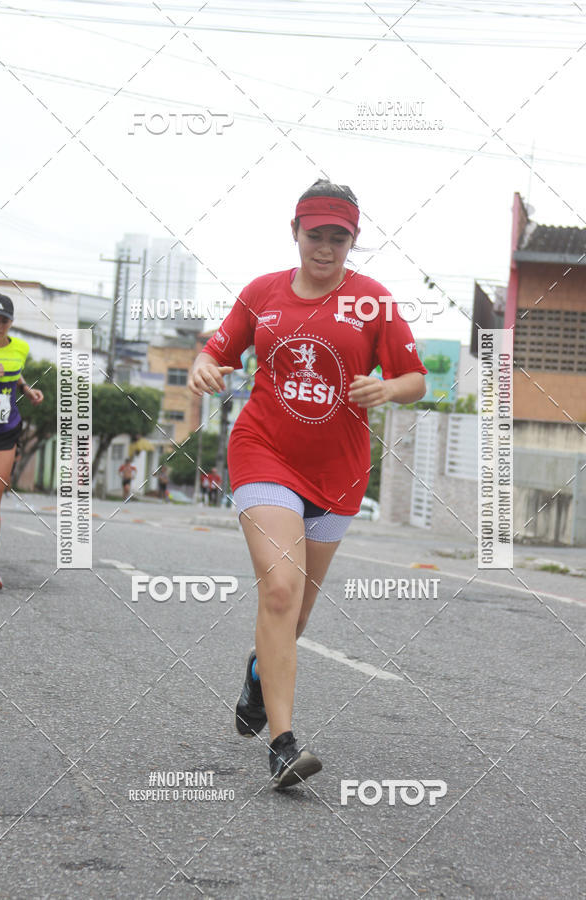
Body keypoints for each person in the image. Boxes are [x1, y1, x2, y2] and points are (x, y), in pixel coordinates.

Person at [188, 178, 427, 789]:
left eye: (338, 238)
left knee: (295, 615)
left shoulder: (371, 301)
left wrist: (388, 386)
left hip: (339, 471)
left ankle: (257, 675)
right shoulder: (261, 293)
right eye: (315, 235)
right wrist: (203, 366)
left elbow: (416, 379)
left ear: (353, 240)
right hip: (263, 450)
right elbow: (216, 351)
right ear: (294, 232)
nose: (325, 248)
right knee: (279, 590)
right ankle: (284, 744)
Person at [0, 294, 44, 590]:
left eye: (3, 320)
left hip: (3, 429)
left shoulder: (20, 348)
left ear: (11, 322)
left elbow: (15, 370)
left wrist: (26, 388)